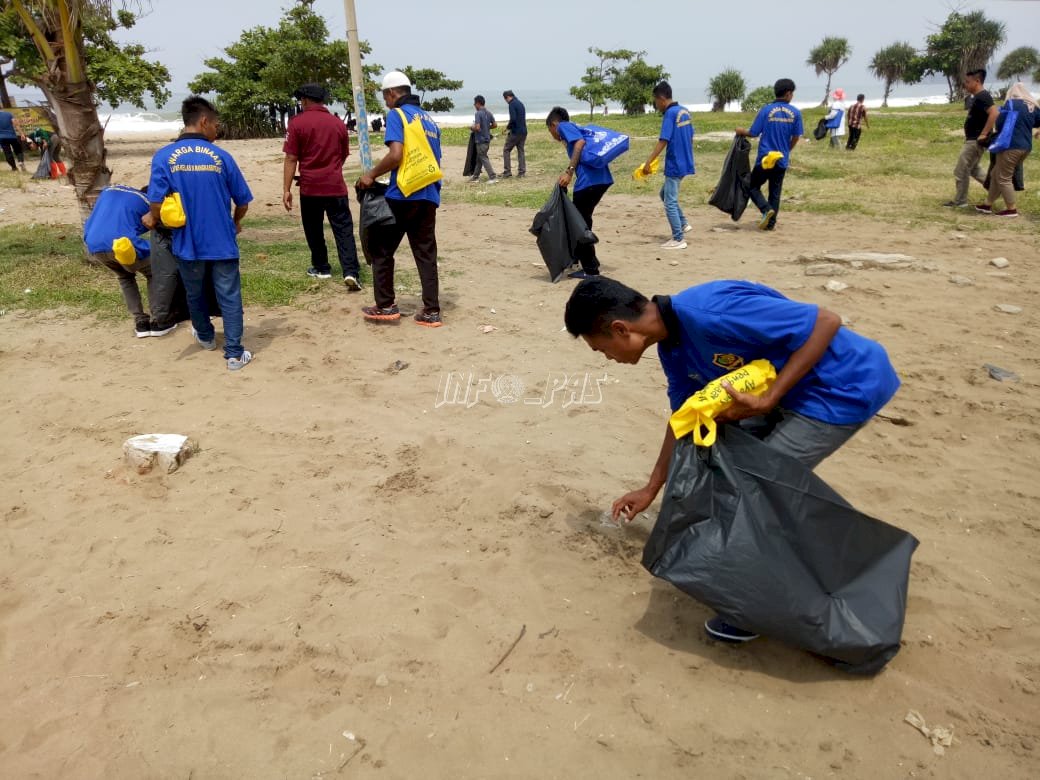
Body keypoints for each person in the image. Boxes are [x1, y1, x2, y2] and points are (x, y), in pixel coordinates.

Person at [563, 275, 900, 643]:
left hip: (843, 385)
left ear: (620, 328)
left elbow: (826, 321)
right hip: (788, 392)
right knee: (712, 458)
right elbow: (684, 420)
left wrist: (770, 399)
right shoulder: (672, 348)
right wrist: (651, 488)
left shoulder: (711, 310)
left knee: (755, 489)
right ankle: (752, 564)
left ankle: (766, 605)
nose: (609, 359)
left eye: (602, 350)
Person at [144, 96, 255, 371]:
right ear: (203, 122)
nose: (217, 131)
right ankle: (233, 354)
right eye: (216, 125)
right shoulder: (222, 157)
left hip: (186, 242)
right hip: (222, 241)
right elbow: (243, 201)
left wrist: (154, 217)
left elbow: (156, 201)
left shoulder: (164, 157)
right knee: (229, 295)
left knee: (194, 293)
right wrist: (234, 222)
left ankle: (205, 337)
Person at [356, 70, 444, 328]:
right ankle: (431, 311)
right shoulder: (428, 120)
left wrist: (370, 175)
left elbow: (396, 155)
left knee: (381, 249)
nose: (386, 102)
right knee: (425, 254)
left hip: (403, 195)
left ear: (392, 93)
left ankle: (385, 305)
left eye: (385, 97)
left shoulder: (397, 114)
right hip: (428, 194)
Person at [282, 83, 363, 289]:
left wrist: (286, 189)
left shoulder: (297, 123)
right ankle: (351, 270)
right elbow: (344, 154)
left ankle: (321, 267)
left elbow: (291, 158)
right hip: (335, 185)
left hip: (310, 186)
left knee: (314, 228)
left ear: (306, 100)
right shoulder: (337, 123)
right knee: (343, 228)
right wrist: (331, 169)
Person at [83, 184, 178, 339]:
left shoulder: (110, 190)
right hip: (121, 245)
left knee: (125, 277)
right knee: (153, 272)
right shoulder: (150, 203)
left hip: (94, 244)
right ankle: (158, 321)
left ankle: (140, 321)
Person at [546, 106, 614, 279]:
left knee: (578, 226)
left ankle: (591, 269)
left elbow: (580, 143)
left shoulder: (564, 126)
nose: (552, 134)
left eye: (550, 130)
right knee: (583, 222)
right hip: (601, 179)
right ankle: (584, 260)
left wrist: (569, 172)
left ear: (554, 124)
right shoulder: (575, 127)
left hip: (589, 183)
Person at [735, 78, 803, 231]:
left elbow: (753, 132)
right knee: (775, 191)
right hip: (781, 159)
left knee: (752, 186)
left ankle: (766, 210)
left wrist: (741, 131)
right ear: (788, 94)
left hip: (765, 158)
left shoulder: (766, 110)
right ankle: (770, 224)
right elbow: (796, 137)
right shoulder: (796, 113)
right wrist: (786, 150)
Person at [642, 81, 695, 250]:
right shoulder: (684, 111)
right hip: (686, 160)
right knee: (664, 193)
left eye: (655, 101)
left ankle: (678, 238)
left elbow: (663, 140)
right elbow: (690, 135)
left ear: (661, 98)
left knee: (669, 201)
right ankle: (684, 223)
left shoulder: (670, 114)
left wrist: (648, 162)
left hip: (675, 163)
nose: (656, 105)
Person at [976, 82, 1040, 218]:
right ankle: (987, 204)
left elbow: (999, 123)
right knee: (996, 173)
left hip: (1010, 146)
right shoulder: (1032, 107)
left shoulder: (1010, 104)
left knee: (1004, 177)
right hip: (1025, 148)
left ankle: (1011, 209)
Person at [945, 69, 999, 208]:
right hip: (973, 139)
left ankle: (960, 201)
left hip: (975, 140)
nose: (965, 85)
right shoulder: (979, 97)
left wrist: (983, 133)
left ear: (977, 81)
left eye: (968, 82)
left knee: (961, 170)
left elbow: (994, 113)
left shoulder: (982, 96)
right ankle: (998, 189)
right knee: (974, 169)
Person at [469, 95, 498, 184]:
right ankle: (475, 176)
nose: (474, 106)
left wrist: (471, 127)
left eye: (474, 104)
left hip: (480, 140)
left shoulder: (478, 113)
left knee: (483, 158)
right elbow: (495, 125)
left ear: (478, 103)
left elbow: (477, 127)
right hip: (487, 139)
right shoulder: (488, 113)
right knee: (479, 158)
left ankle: (492, 177)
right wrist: (486, 127)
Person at [501, 90, 527, 178]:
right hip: (523, 131)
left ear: (508, 97)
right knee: (521, 151)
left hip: (516, 132)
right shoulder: (520, 103)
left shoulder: (511, 104)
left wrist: (507, 128)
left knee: (506, 150)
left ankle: (507, 171)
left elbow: (513, 119)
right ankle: (522, 172)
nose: (506, 102)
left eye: (505, 99)